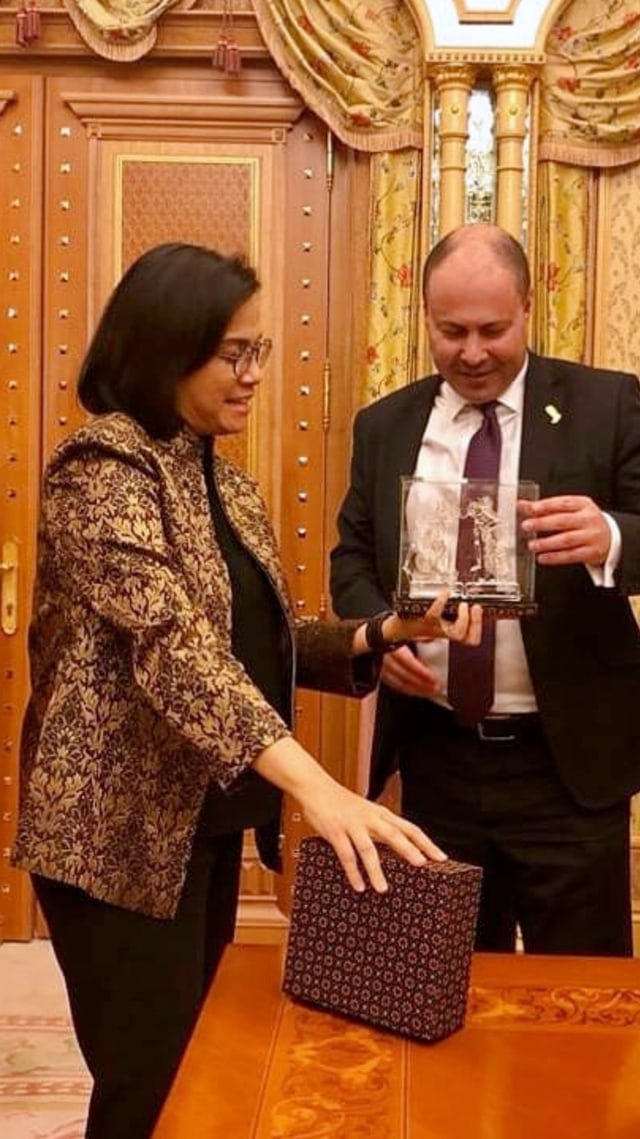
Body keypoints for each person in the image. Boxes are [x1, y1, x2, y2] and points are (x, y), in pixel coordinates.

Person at [12, 242, 481, 1139]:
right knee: (145, 1091)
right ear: (166, 345)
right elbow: (175, 649)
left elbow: (250, 642)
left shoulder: (218, 473)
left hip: (207, 823)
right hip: (119, 835)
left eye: (259, 352)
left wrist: (382, 634)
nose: (254, 373)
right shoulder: (102, 468)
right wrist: (319, 786)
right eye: (235, 352)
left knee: (199, 1077)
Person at [331, 222, 640, 958]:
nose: (472, 352)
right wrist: (381, 631)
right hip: (437, 757)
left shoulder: (608, 404)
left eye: (493, 329)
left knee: (581, 1010)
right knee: (442, 987)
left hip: (566, 767)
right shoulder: (385, 425)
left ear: (530, 308)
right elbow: (351, 558)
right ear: (426, 321)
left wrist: (613, 536)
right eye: (451, 331)